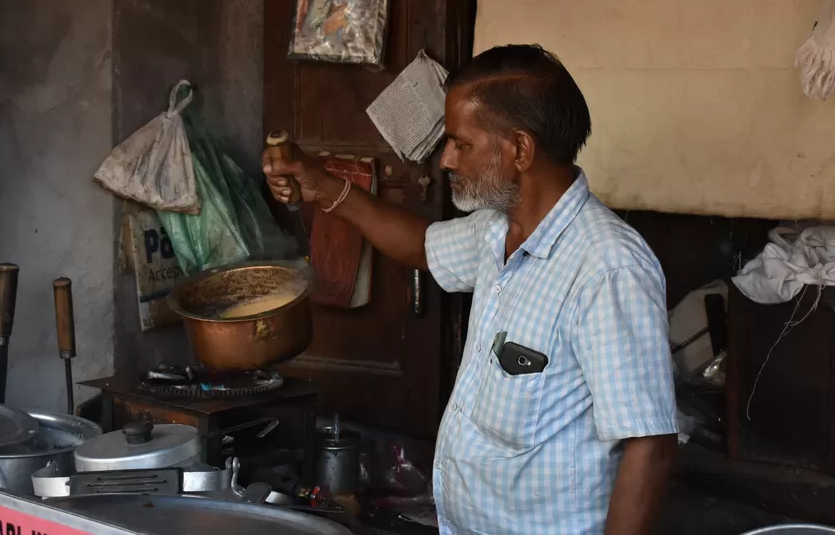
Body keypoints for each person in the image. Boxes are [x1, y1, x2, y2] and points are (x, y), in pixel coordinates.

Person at [262, 44, 678, 535]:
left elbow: (649, 444)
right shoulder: (496, 230)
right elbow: (421, 245)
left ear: (520, 150)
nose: (446, 160)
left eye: (461, 144)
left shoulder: (608, 268)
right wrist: (324, 187)